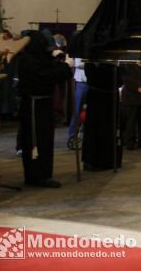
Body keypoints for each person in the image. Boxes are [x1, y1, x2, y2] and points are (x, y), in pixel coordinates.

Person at [17, 31, 73, 188]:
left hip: (43, 104)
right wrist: (64, 68)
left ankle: (43, 173)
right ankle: (38, 175)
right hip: (35, 104)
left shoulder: (37, 57)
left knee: (46, 140)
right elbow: (45, 76)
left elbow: (49, 67)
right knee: (36, 140)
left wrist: (59, 62)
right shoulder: (28, 60)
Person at [81, 62, 123, 171]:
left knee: (108, 130)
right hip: (97, 100)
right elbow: (92, 79)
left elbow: (119, 81)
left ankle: (108, 160)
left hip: (109, 99)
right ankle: (93, 161)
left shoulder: (113, 64)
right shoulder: (92, 63)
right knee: (96, 130)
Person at [121, 61, 141, 150]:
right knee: (131, 121)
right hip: (131, 97)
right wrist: (137, 88)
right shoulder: (127, 63)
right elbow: (126, 79)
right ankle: (130, 142)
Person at [67, 57, 87, 149]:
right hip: (81, 82)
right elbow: (78, 63)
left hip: (91, 81)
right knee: (77, 109)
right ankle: (72, 135)